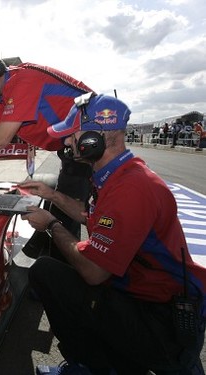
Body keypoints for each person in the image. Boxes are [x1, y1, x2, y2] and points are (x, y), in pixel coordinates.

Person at [20, 94, 206, 375]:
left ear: (95, 138)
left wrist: (51, 224)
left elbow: (94, 272)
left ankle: (97, 367)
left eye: (73, 135)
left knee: (47, 272)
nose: (68, 142)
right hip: (147, 301)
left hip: (160, 321)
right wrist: (52, 195)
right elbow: (89, 216)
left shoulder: (131, 188)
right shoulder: (119, 174)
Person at [0, 51, 95, 260]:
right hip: (73, 147)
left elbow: (2, 137)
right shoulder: (2, 97)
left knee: (70, 213)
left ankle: (76, 265)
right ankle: (56, 253)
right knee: (61, 205)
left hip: (92, 143)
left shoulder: (24, 80)